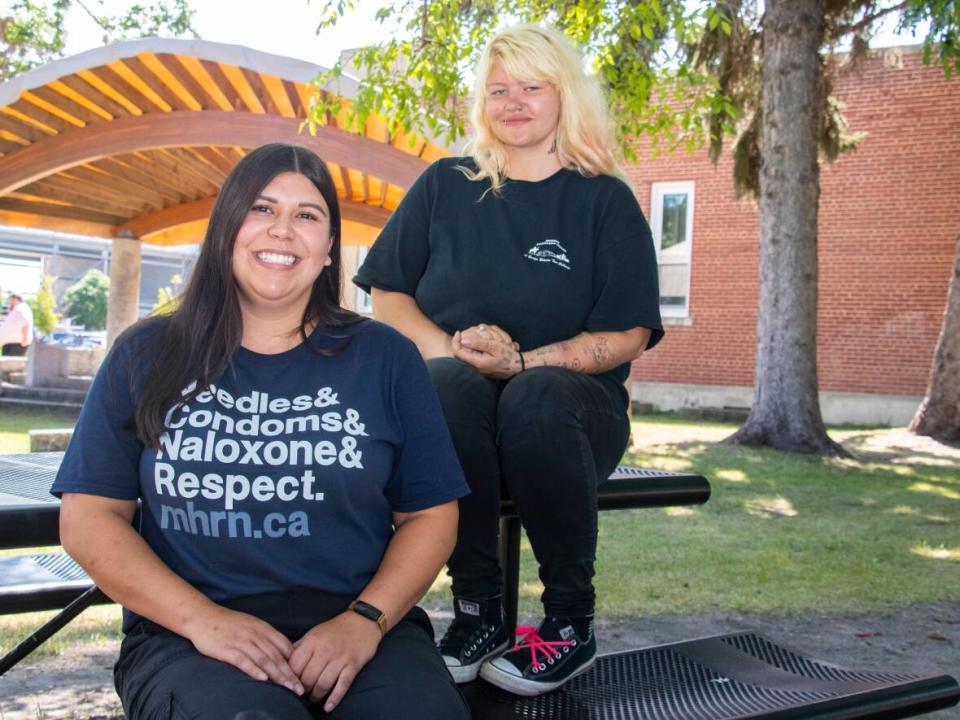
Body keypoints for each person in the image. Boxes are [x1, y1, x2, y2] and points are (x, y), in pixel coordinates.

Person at [53, 143, 471, 720]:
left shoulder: (386, 358)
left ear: (329, 249)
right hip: (189, 637)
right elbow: (88, 519)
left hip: (360, 628)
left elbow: (430, 515)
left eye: (307, 216)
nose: (282, 231)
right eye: (261, 208)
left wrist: (364, 621)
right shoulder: (146, 354)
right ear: (227, 228)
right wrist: (205, 622)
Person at [354, 24, 664, 697]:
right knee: (442, 384)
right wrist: (452, 349)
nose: (513, 102)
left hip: (570, 416)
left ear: (565, 97)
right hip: (460, 414)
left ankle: (567, 625)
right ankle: (478, 616)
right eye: (499, 90)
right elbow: (388, 293)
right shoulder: (445, 185)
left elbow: (627, 333)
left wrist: (524, 364)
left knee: (538, 397)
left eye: (531, 87)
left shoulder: (603, 202)